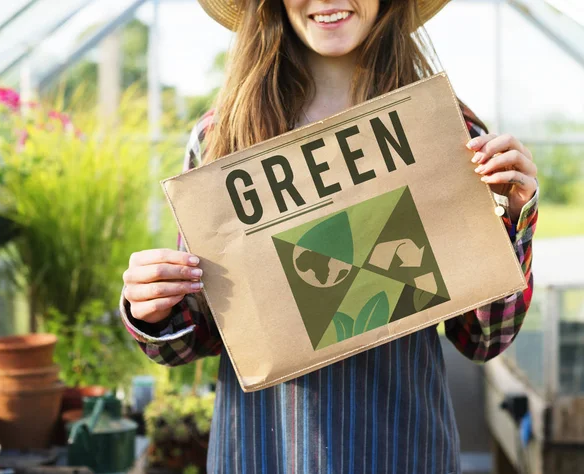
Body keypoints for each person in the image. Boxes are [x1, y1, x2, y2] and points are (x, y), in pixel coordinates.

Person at [120, 1, 538, 472]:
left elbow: (482, 339)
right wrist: (153, 306)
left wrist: (513, 220)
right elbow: (199, 336)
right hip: (265, 451)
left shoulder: (449, 132)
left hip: (401, 450)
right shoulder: (222, 139)